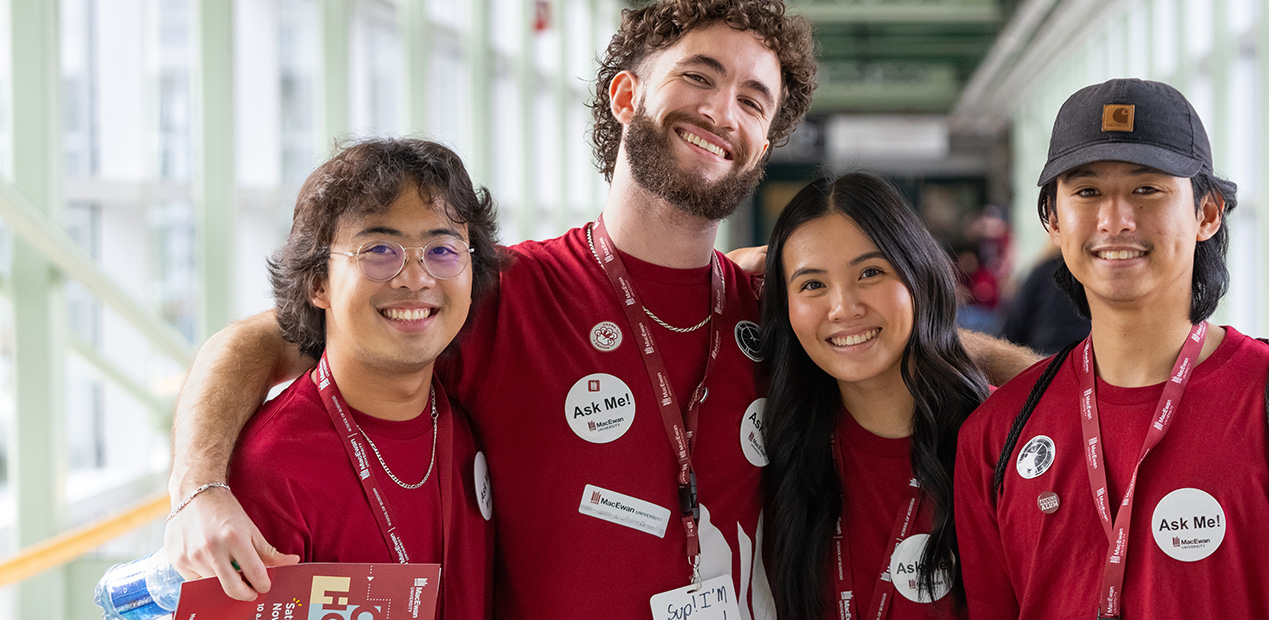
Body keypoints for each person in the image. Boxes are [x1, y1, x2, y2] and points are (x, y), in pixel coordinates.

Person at [163, 2, 1033, 618]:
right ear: (625, 98)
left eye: (753, 102)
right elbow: (260, 341)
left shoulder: (781, 304)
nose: (721, 112)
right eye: (700, 76)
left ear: (765, 144)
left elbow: (921, 340)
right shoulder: (499, 291)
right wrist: (198, 489)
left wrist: (1068, 394)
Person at [953, 78, 1269, 620]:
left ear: (1207, 214)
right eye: (1087, 191)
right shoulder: (999, 432)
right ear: (1052, 219)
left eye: (1147, 190)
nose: (1115, 220)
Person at [219, 138, 503, 619]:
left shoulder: (464, 422)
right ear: (318, 283)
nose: (415, 278)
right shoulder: (271, 470)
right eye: (379, 250)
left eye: (441, 249)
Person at [761, 173, 988, 620]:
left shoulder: (1001, 439)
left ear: (918, 276)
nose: (843, 307)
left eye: (870, 272)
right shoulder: (780, 452)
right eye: (812, 284)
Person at [1000, 252, 1091, 354]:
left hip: (1042, 355)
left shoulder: (1044, 270)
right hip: (1073, 356)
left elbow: (1011, 330)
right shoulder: (1044, 271)